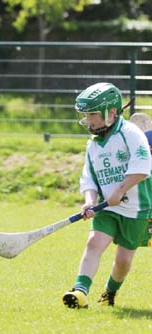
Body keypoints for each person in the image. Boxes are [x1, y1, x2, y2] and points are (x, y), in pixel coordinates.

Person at [62, 82, 152, 309]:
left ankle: (110, 292)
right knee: (94, 243)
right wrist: (90, 200)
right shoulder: (93, 145)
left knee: (123, 261)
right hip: (108, 208)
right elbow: (89, 177)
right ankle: (79, 292)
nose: (89, 120)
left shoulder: (130, 133)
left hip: (136, 208)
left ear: (111, 113)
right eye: (86, 114)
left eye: (93, 114)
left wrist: (120, 191)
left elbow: (142, 168)